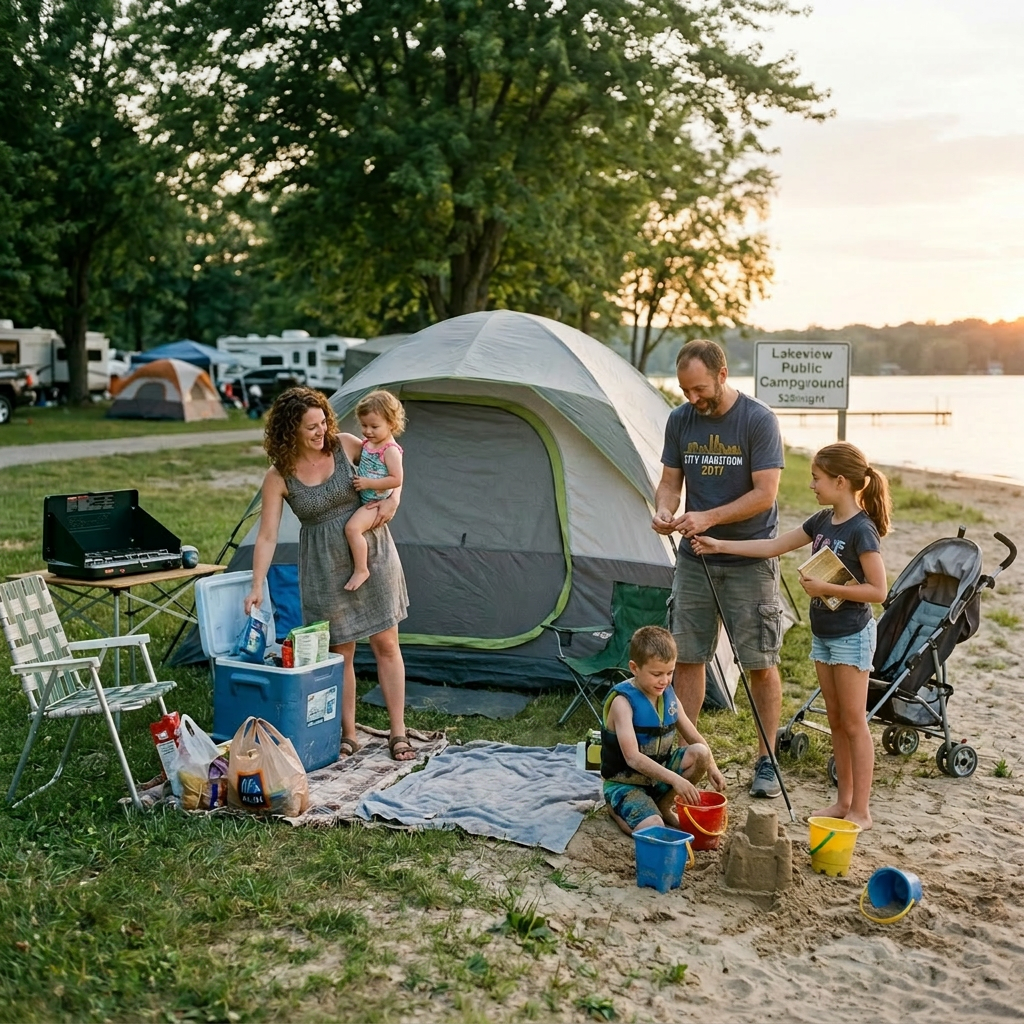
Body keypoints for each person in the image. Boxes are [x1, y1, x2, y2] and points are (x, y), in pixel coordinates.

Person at [693, 442, 891, 830]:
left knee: (854, 722)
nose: (812, 485)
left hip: (852, 636)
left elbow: (879, 592)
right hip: (825, 635)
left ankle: (861, 812)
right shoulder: (821, 521)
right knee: (835, 720)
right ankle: (843, 802)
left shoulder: (861, 530)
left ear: (839, 480)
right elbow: (773, 545)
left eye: (817, 479)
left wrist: (827, 590)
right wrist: (719, 543)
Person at [244, 386, 415, 761]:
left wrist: (393, 501)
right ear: (290, 430)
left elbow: (393, 469)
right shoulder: (279, 477)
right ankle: (347, 733)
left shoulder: (347, 445)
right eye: (311, 427)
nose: (321, 431)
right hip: (323, 567)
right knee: (341, 654)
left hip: (372, 553)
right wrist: (257, 584)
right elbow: (268, 535)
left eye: (323, 422)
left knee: (387, 645)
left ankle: (398, 732)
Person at [653, 339, 786, 799]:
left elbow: (764, 494)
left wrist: (709, 516)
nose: (693, 399)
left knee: (760, 663)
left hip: (749, 560)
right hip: (695, 560)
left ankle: (767, 759)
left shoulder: (758, 420)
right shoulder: (679, 420)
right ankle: (689, 753)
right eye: (686, 390)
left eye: (700, 388)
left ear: (723, 373)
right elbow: (670, 483)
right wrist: (663, 511)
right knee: (688, 656)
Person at [601, 626, 726, 836]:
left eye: (670, 673)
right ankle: (617, 809)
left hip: (657, 778)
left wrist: (712, 766)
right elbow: (632, 758)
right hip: (625, 783)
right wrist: (676, 780)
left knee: (701, 754)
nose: (665, 680)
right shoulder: (623, 703)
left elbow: (693, 735)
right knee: (654, 828)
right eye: (657, 674)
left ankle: (662, 806)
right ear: (634, 668)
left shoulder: (668, 696)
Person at [343, 390, 406, 592]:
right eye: (364, 426)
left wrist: (369, 483)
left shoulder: (390, 450)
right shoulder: (369, 444)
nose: (368, 431)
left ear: (391, 423)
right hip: (365, 498)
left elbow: (396, 479)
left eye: (374, 426)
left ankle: (362, 569)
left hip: (375, 503)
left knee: (352, 529)